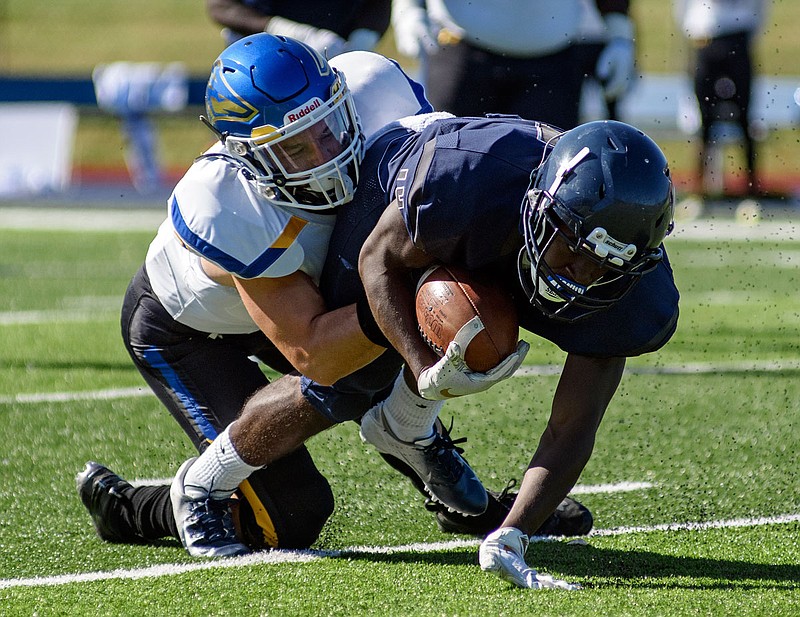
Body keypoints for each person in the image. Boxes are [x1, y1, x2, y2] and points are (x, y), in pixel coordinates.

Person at [168, 110, 678, 591]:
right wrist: (420, 362)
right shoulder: (466, 179)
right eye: (573, 247)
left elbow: (573, 425)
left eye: (602, 264)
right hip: (400, 209)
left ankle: (404, 426)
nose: (580, 275)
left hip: (490, 228)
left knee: (481, 334)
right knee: (351, 378)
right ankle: (205, 483)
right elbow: (378, 259)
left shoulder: (634, 297)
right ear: (543, 205)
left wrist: (515, 534)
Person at [389, 0, 636, 129]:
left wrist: (620, 35)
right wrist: (408, 9)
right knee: (448, 177)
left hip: (552, 60)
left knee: (548, 184)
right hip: (461, 50)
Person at [673, 0, 767, 197]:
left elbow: (760, 7)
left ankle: (751, 187)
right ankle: (700, 188)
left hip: (738, 37)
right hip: (705, 39)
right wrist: (692, 27)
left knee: (744, 115)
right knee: (704, 118)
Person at [206, 0, 391, 54]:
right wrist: (283, 30)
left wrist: (362, 40)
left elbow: (376, 5)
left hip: (339, 56)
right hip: (265, 61)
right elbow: (220, 6)